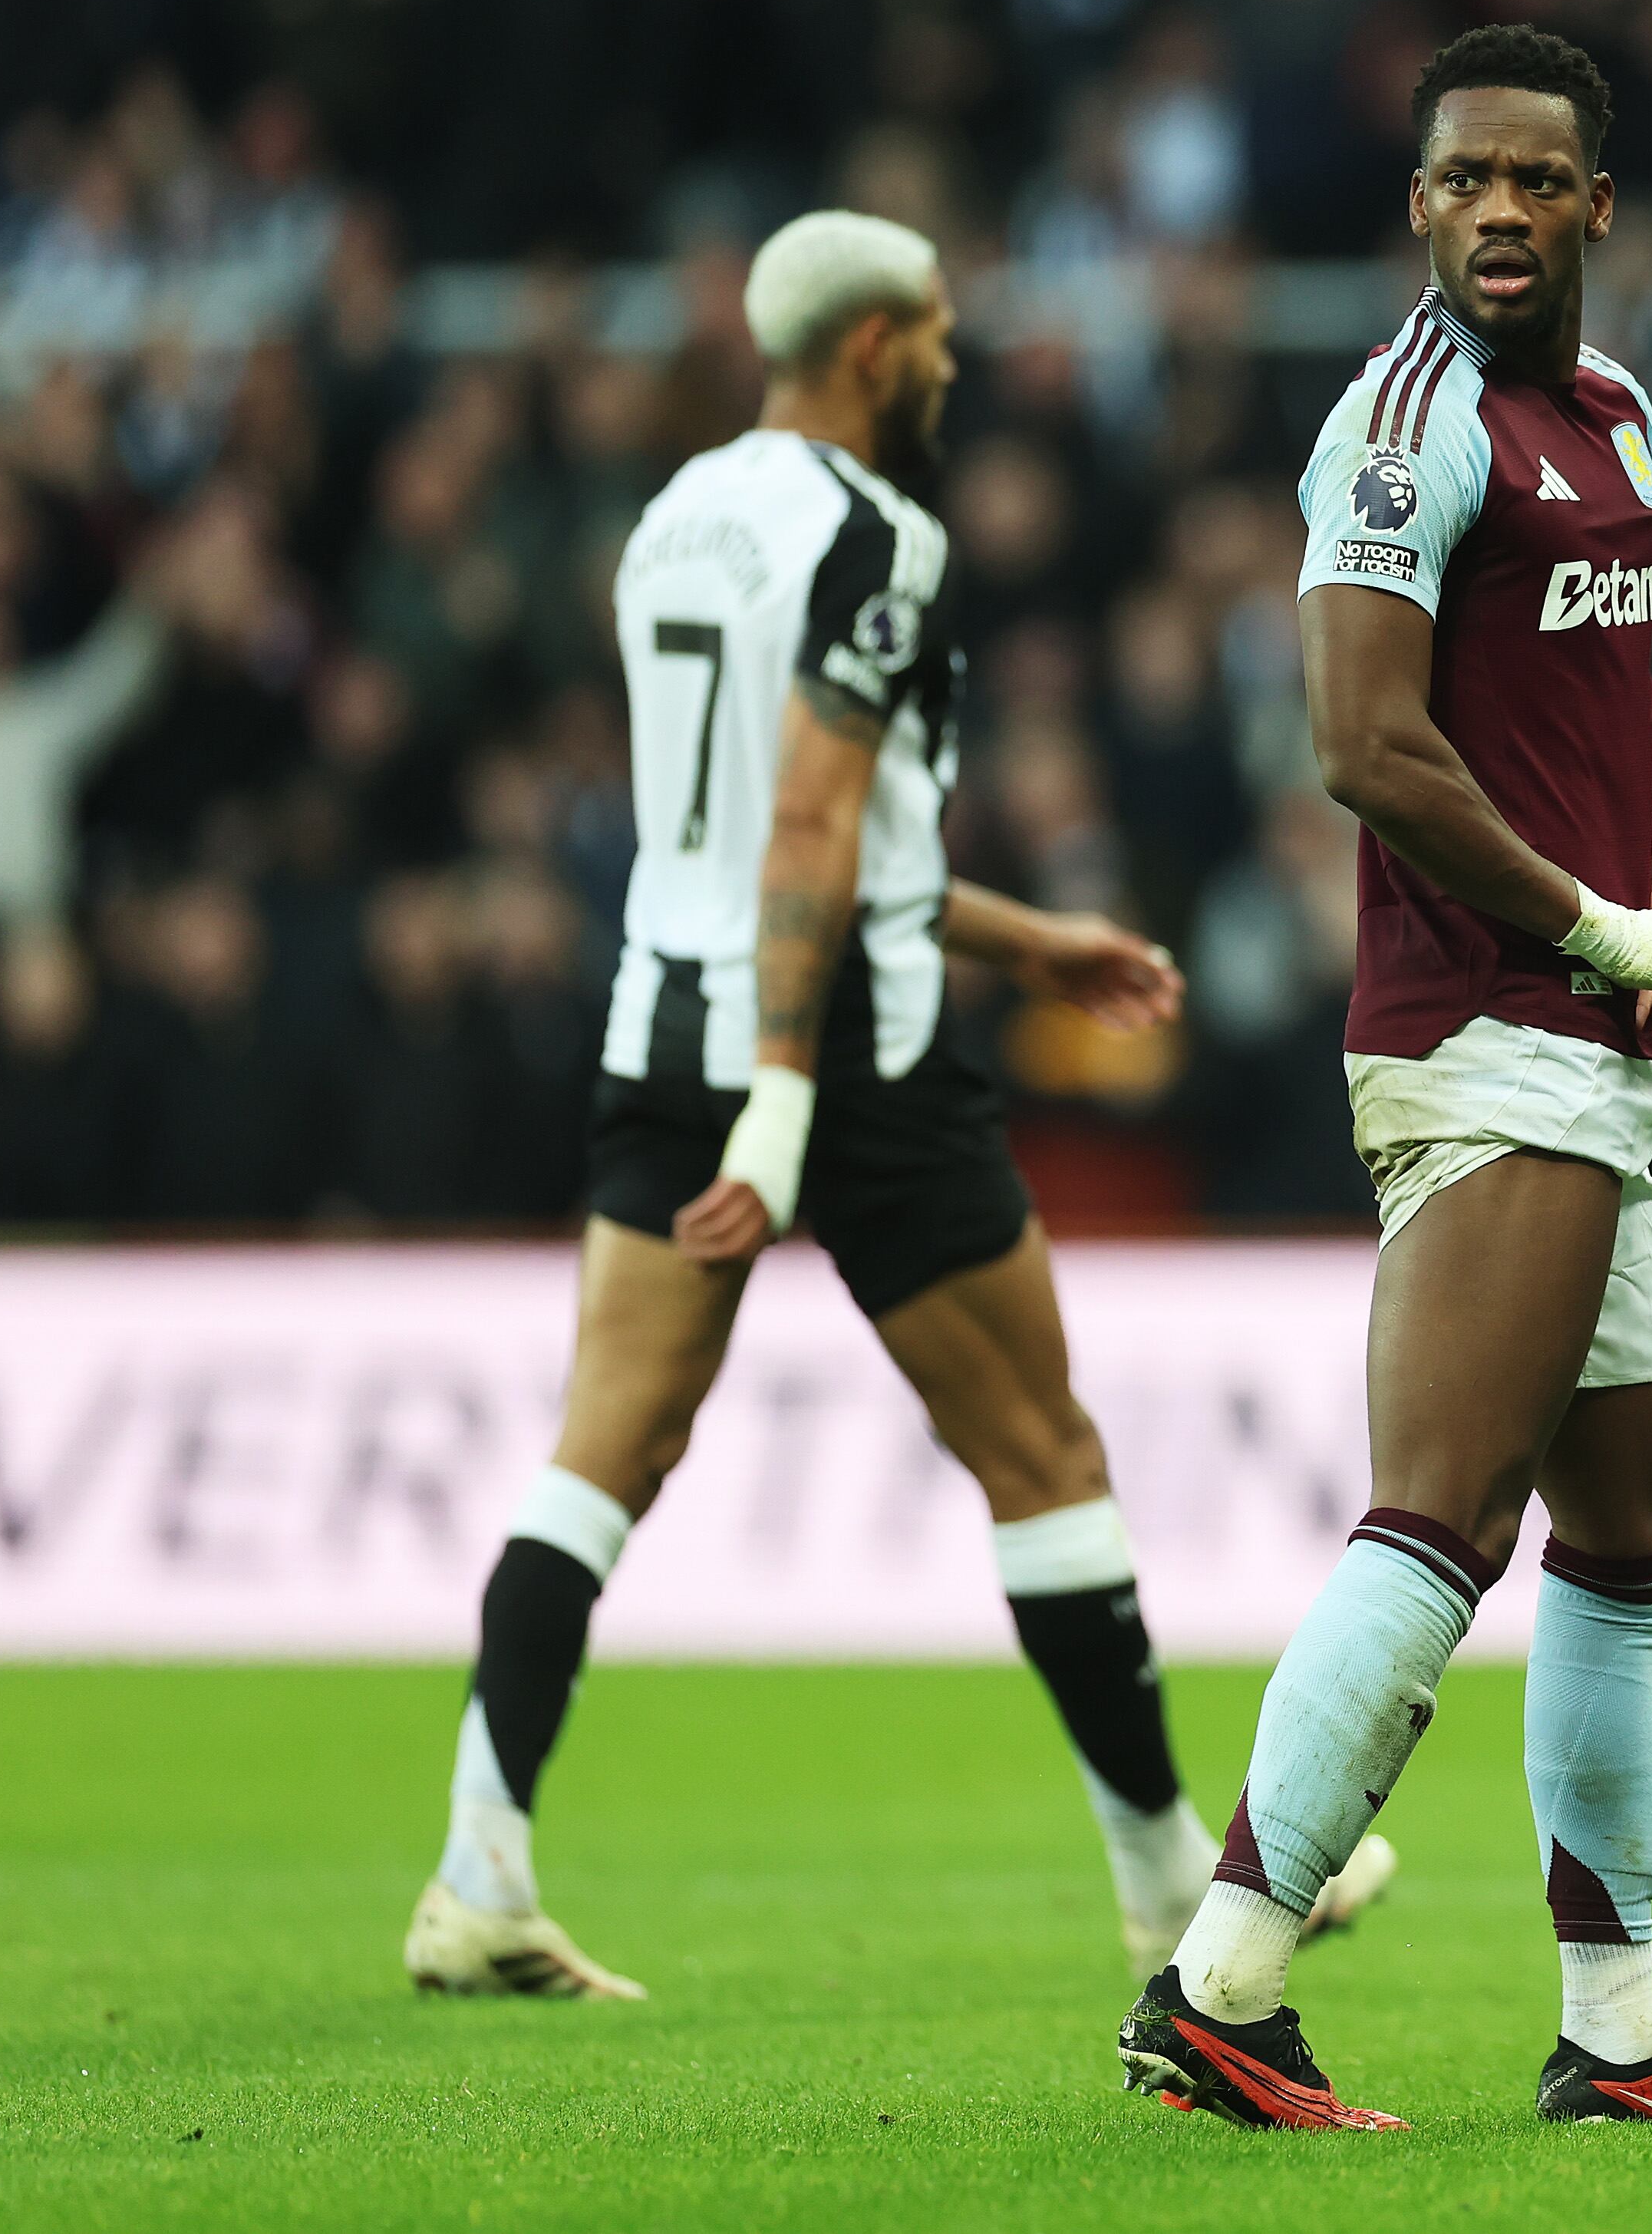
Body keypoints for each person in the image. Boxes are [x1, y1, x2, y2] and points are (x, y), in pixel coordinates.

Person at [399, 210, 1389, 2001]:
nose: (949, 357)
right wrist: (789, 1097)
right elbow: (812, 833)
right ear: (869, 348)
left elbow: (754, 836)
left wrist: (1023, 944)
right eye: (931, 331)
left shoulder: (669, 522)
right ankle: (1170, 1880)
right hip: (841, 1050)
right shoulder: (883, 537)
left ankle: (476, 1869)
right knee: (1041, 1457)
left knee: (601, 1449)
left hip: (665, 1018)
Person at [1113, 25, 1652, 2131]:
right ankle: (1228, 1979)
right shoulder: (1400, 434)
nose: (1500, 210)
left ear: (1601, 205)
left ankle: (1617, 2026)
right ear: (1418, 207)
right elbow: (1368, 743)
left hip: (1593, 1029)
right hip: (1485, 1034)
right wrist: (1601, 928)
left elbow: (1568, 727)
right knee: (1447, 1511)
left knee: (1629, 1519)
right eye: (1462, 182)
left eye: (1538, 178)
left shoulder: (1618, 416)